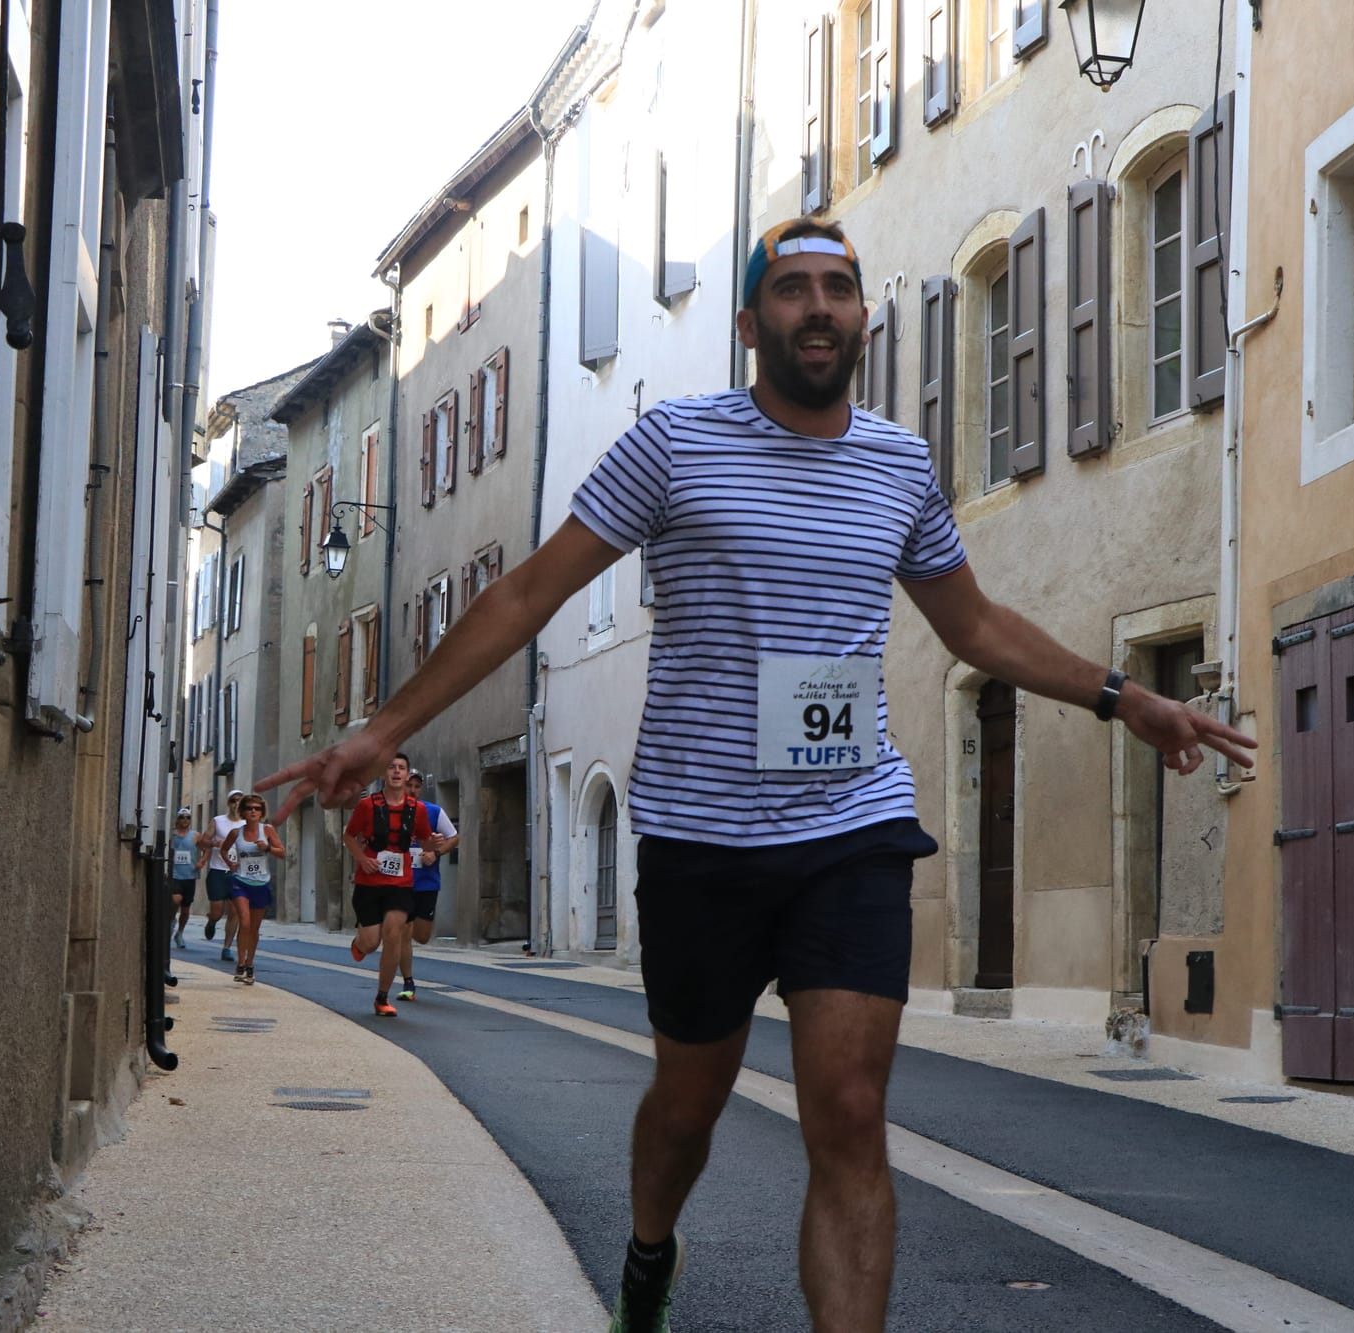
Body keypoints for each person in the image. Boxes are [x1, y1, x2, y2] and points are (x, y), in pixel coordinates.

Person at [262, 218, 1255, 1333]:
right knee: (687, 1108)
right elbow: (526, 595)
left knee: (849, 1107)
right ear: (749, 324)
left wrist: (1129, 699)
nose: (818, 307)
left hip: (852, 824)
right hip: (701, 837)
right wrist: (379, 728)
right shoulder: (673, 446)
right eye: (791, 290)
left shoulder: (897, 463)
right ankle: (647, 1254)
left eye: (837, 288)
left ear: (863, 315)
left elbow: (972, 624)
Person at [342, 754, 434, 1016]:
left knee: (394, 933)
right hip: (369, 881)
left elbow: (425, 841)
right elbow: (349, 836)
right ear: (384, 774)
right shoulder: (368, 806)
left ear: (407, 776)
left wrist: (433, 847)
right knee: (372, 943)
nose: (396, 772)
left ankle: (382, 997)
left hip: (400, 883)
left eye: (401, 768)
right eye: (391, 767)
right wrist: (362, 859)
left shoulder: (418, 809)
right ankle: (359, 944)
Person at [399, 771, 461, 1002]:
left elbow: (454, 837)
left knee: (422, 936)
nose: (412, 790)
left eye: (417, 786)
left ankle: (403, 930)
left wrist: (435, 854)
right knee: (403, 932)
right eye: (409, 785)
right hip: (400, 883)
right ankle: (408, 982)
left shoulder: (433, 812)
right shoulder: (392, 812)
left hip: (426, 882)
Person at [218, 792, 284, 984]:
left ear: (262, 812)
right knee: (244, 922)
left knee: (254, 928)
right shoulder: (236, 833)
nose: (253, 811)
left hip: (261, 883)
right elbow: (223, 849)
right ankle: (240, 963)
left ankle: (249, 963)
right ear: (243, 812)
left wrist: (268, 848)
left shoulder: (268, 830)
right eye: (249, 808)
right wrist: (231, 865)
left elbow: (282, 852)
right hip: (240, 881)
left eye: (257, 808)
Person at [198, 789, 244, 961]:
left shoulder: (247, 823)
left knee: (234, 911)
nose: (236, 803)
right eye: (233, 800)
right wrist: (215, 843)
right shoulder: (218, 821)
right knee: (217, 911)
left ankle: (226, 947)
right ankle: (212, 921)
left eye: (240, 800)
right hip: (218, 870)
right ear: (228, 803)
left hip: (237, 872)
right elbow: (202, 841)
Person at [168, 808, 205, 948]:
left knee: (185, 909)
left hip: (189, 875)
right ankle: (171, 921)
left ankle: (180, 933)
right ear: (177, 819)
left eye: (188, 817)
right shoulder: (172, 836)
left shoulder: (195, 835)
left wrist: (202, 861)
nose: (185, 820)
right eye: (182, 817)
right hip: (175, 875)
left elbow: (206, 849)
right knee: (176, 899)